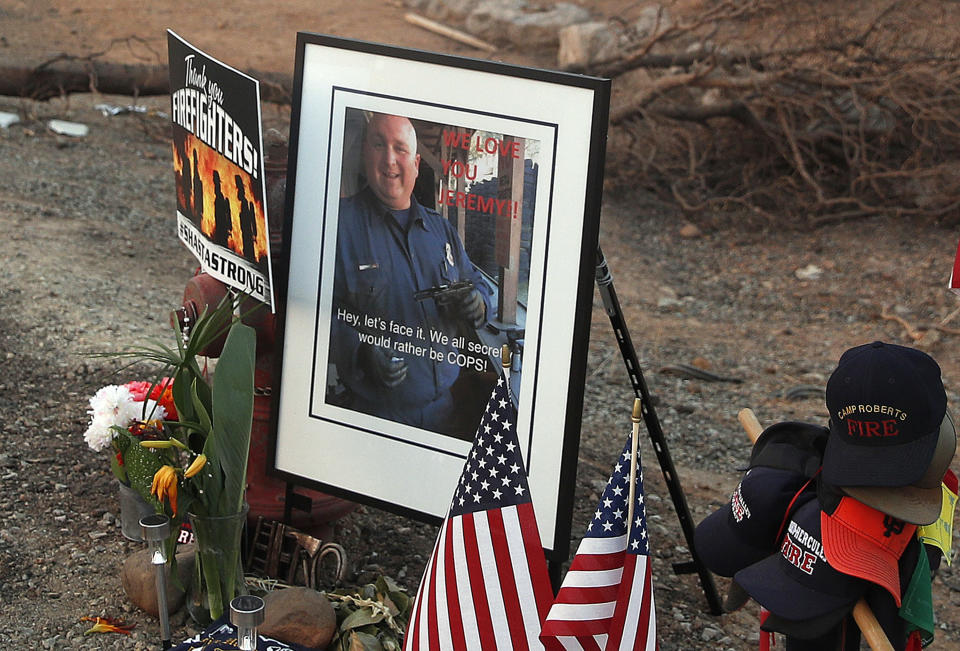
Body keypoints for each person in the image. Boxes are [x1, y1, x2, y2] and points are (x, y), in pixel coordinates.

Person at [329, 112, 493, 436]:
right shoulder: (338, 227)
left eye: (400, 148)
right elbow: (317, 312)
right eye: (379, 145)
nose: (390, 159)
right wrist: (360, 351)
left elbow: (472, 280)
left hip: (444, 412)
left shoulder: (441, 230)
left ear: (416, 163)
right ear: (365, 154)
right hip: (374, 419)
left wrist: (479, 303)